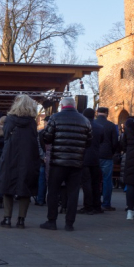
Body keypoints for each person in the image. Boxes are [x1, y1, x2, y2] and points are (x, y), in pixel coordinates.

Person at [41, 97, 92, 231]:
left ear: (62, 105)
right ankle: (69, 223)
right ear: (74, 106)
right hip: (76, 162)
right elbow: (89, 141)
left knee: (53, 191)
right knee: (73, 193)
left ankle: (51, 221)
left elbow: (47, 137)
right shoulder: (84, 120)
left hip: (58, 161)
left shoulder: (55, 118)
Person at [0, 95, 40, 228]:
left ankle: (7, 218)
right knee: (25, 188)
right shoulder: (32, 122)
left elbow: (5, 136)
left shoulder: (10, 119)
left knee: (7, 186)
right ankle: (21, 220)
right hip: (28, 158)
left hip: (10, 157)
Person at [78, 109, 104, 215]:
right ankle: (97, 205)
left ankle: (88, 206)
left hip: (84, 157)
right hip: (95, 157)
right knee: (96, 183)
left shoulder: (82, 127)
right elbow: (101, 141)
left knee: (86, 183)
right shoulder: (100, 128)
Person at [94, 107, 119, 211]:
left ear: (97, 113)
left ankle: (94, 202)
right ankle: (106, 203)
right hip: (107, 155)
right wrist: (112, 152)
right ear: (107, 113)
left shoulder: (92, 124)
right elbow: (115, 143)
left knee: (94, 180)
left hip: (94, 155)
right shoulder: (111, 126)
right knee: (107, 180)